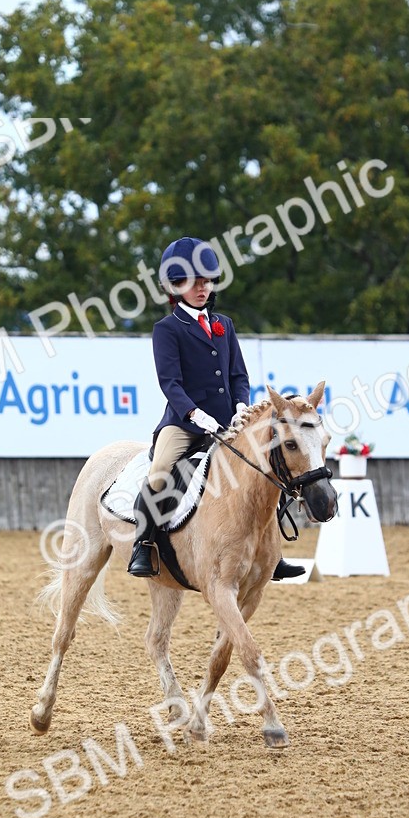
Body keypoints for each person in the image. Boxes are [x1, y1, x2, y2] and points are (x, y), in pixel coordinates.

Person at [127, 236, 304, 580]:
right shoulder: (166, 329)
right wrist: (195, 414)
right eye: (194, 282)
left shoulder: (224, 324)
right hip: (183, 423)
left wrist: (240, 405)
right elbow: (170, 383)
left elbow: (238, 374)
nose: (202, 288)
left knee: (267, 464)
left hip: (229, 422)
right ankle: (143, 544)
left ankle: (273, 553)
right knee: (160, 470)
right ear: (175, 286)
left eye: (207, 281)